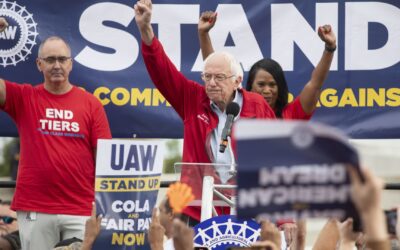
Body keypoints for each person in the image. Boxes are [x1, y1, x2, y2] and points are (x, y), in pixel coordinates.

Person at [134, 0, 276, 224]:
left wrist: (284, 217)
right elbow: (163, 71)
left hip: (249, 210)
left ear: (237, 81)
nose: (211, 83)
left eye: (218, 78)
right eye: (206, 77)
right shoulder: (193, 99)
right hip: (200, 210)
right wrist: (146, 30)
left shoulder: (257, 106)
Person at [0, 17, 112, 250]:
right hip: (35, 208)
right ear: (39, 64)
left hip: (81, 208)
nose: (57, 65)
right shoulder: (25, 98)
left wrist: (103, 206)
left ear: (71, 64)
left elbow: (105, 160)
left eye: (62, 59)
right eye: (50, 60)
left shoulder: (91, 104)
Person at [198, 11, 337, 119]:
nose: (267, 90)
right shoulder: (236, 109)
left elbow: (315, 84)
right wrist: (203, 34)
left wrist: (330, 48)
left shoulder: (291, 115)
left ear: (280, 88)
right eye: (261, 84)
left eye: (272, 85)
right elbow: (215, 71)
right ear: (250, 86)